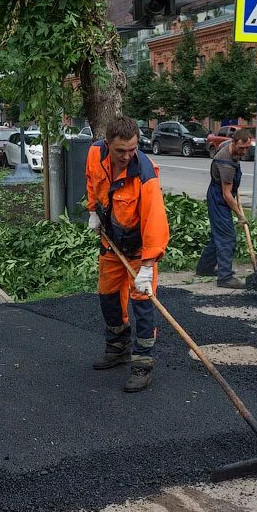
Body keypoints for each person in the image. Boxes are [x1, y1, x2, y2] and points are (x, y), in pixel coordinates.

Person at [86, 116, 170, 393]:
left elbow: (155, 222)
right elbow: (93, 181)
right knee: (108, 295)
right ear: (107, 143)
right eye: (120, 150)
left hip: (138, 248)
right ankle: (118, 347)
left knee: (142, 303)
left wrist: (147, 265)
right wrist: (92, 211)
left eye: (132, 149)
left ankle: (142, 365)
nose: (127, 156)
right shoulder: (95, 154)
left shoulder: (145, 174)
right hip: (111, 240)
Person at [196, 128, 253, 289]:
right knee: (227, 237)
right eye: (241, 148)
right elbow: (227, 194)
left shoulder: (229, 145)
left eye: (247, 148)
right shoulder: (226, 162)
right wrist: (240, 215)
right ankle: (225, 278)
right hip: (219, 199)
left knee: (217, 236)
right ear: (234, 143)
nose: (244, 151)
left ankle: (204, 269)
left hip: (220, 194)